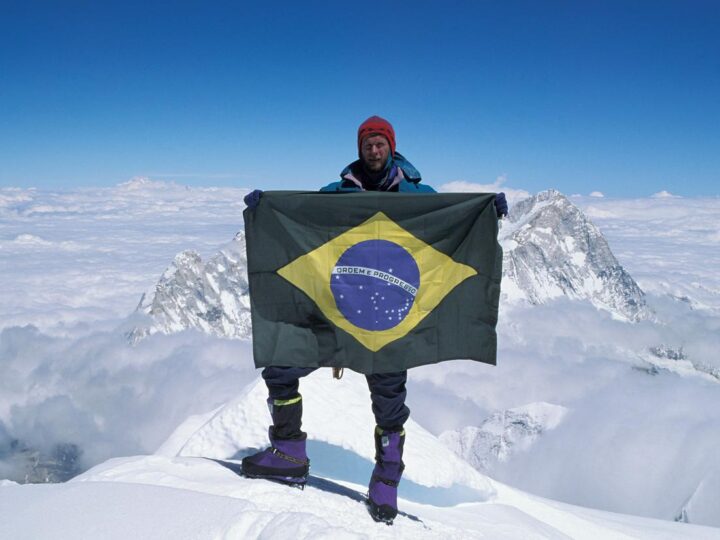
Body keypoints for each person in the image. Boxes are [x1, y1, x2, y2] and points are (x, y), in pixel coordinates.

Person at [241, 116, 508, 524]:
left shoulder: (418, 195)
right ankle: (287, 451)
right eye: (367, 143)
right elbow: (306, 223)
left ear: (391, 147)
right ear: (360, 148)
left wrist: (488, 212)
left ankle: (386, 481)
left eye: (380, 143)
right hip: (336, 315)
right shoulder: (338, 194)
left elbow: (449, 221)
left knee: (389, 405)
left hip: (391, 322)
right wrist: (267, 210)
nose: (374, 150)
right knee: (280, 365)